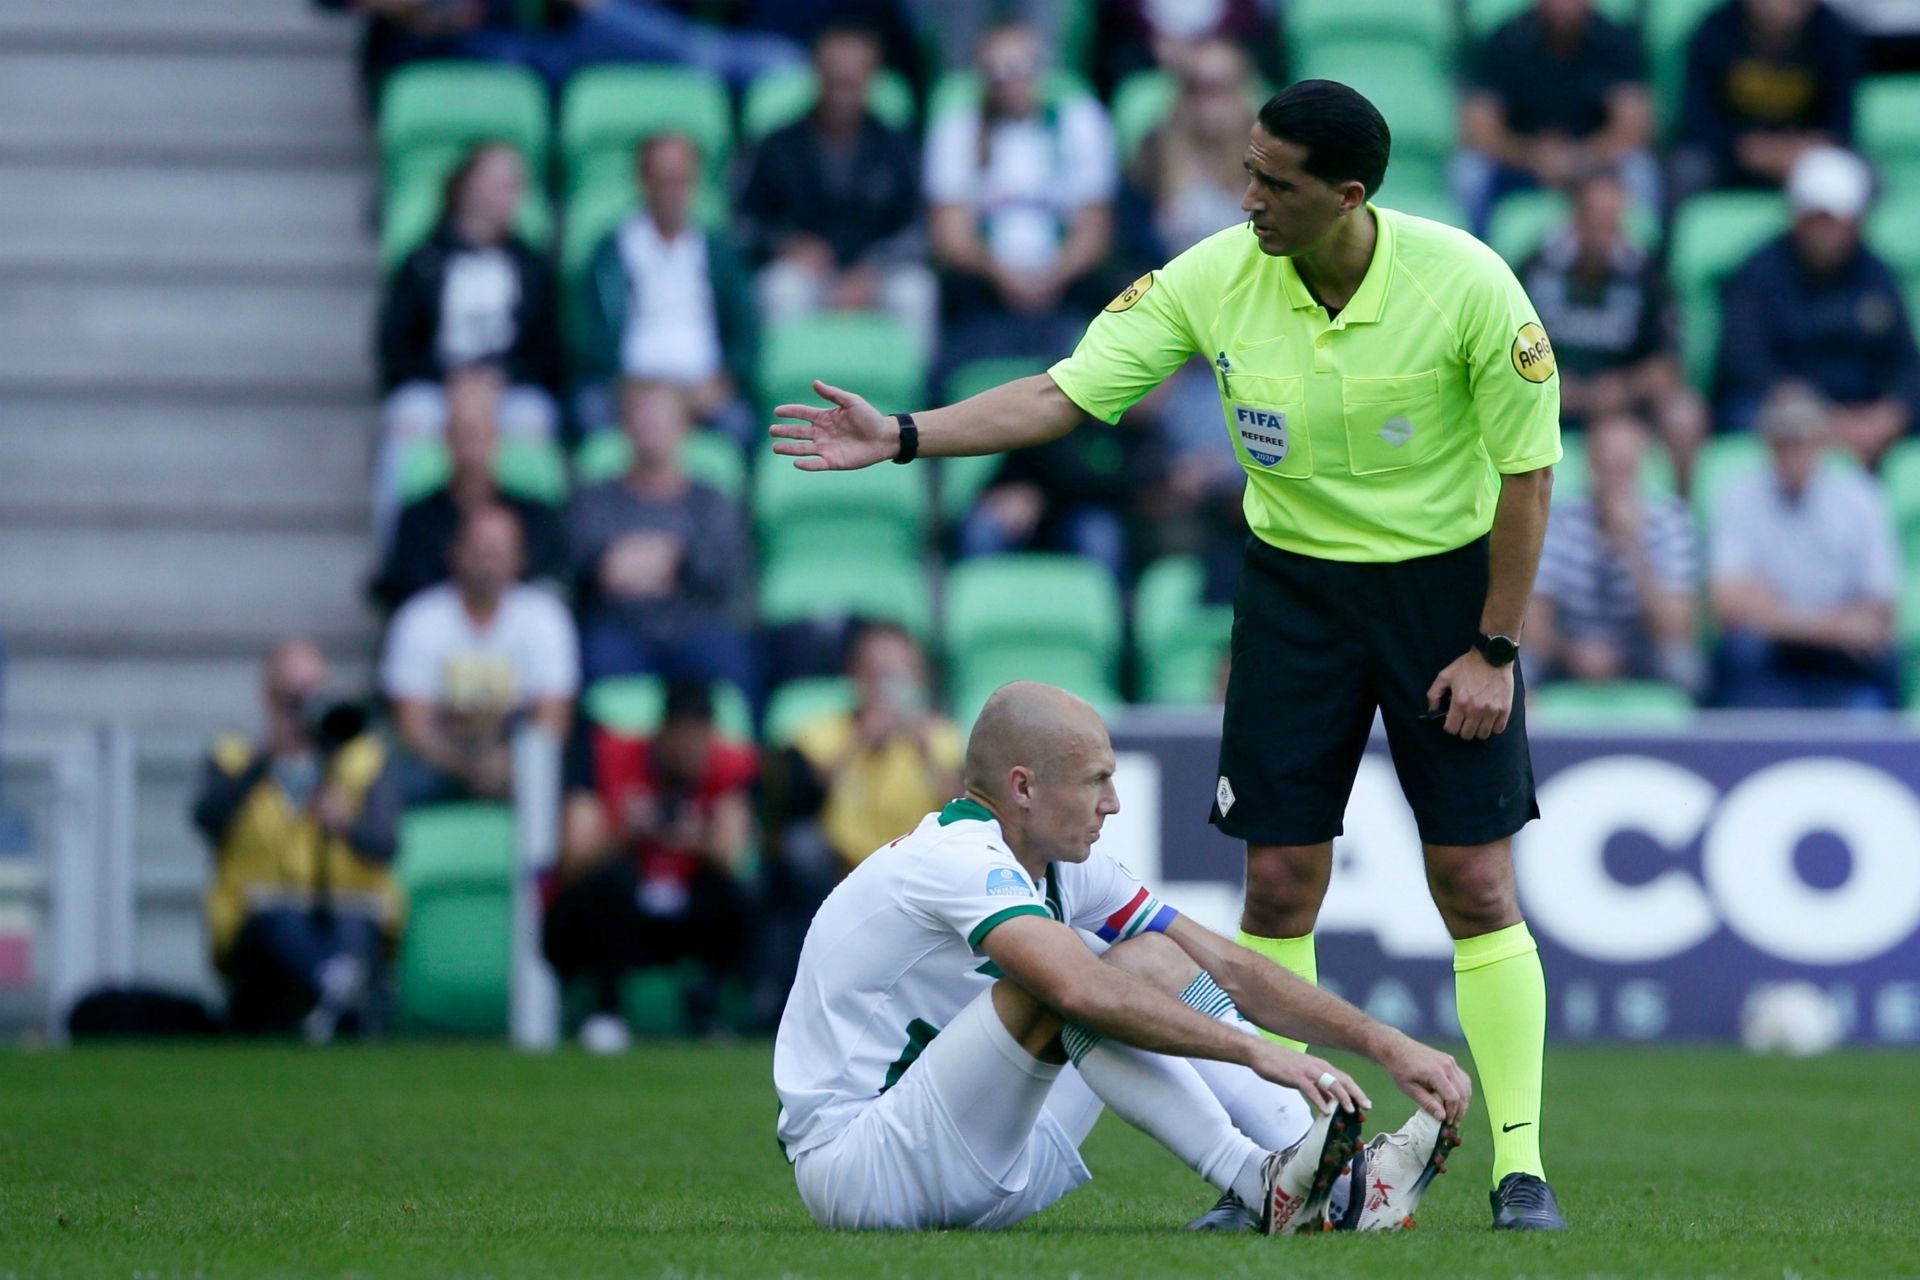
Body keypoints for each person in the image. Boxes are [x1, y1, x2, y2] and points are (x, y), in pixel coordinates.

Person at [769, 79, 1569, 1230]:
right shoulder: (1214, 273)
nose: (1246, 195)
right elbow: (1063, 393)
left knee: (1478, 883)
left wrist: (1496, 643)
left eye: (1272, 181)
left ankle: (1520, 1166)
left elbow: (1529, 475)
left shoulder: (1469, 283)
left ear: (1347, 197)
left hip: (1446, 596)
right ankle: (1293, 1157)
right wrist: (903, 435)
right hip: (1293, 591)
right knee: (1280, 880)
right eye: (1246, 169)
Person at [774, 680, 1472, 1233]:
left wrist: (1383, 1041)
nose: (1112, 802)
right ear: (1022, 788)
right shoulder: (955, 858)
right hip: (862, 1172)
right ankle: (1255, 1182)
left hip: (981, 1150)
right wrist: (1259, 1053)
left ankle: (1342, 1184)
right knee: (1066, 978)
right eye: (1095, 780)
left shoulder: (1063, 865)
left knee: (1151, 958)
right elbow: (1078, 992)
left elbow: (1222, 966)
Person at [191, 638, 403, 1041]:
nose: (304, 709)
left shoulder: (365, 758)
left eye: (313, 696)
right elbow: (207, 821)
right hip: (259, 922)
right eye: (291, 698)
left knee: (352, 926)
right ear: (268, 697)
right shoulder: (234, 757)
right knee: (281, 921)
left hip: (349, 909)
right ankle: (341, 988)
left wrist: (345, 823)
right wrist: (265, 758)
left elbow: (386, 846)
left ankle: (335, 993)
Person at [545, 678, 759, 1049]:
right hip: (616, 915)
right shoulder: (609, 757)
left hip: (682, 911)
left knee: (732, 894)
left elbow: (731, 855)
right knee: (610, 882)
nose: (690, 753)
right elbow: (573, 859)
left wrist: (695, 837)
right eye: (682, 740)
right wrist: (626, 831)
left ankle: (706, 1009)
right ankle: (606, 1010)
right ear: (662, 734)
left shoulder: (729, 766)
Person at [924, 22, 1117, 371]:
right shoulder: (958, 128)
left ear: (1042, 71)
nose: (1009, 83)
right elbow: (950, 238)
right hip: (983, 283)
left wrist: (1052, 277)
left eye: (1020, 69)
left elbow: (1094, 232)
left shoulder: (1080, 121)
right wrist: (1002, 274)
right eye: (996, 73)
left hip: (1065, 281)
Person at [377, 142, 560, 503]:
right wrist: (450, 380)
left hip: (508, 389)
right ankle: (399, 544)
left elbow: (549, 352)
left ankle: (529, 545)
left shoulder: (532, 266)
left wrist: (500, 377)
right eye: (500, 184)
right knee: (406, 422)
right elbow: (394, 346)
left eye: (515, 186)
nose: (510, 196)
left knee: (533, 423)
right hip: (436, 389)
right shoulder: (423, 261)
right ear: (467, 186)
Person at [737, 24, 936, 356]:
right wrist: (786, 245)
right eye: (834, 80)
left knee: (917, 292)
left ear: (872, 78)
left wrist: (873, 268)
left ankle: (925, 402)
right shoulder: (777, 144)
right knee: (779, 290)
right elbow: (743, 223)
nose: (842, 92)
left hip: (876, 273)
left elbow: (918, 229)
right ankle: (783, 394)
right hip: (805, 272)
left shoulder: (896, 146)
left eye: (852, 81)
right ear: (816, 74)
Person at [1717, 146, 1920, 463]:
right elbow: (1744, 360)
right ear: (1797, 216)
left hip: (1865, 410)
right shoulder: (1760, 272)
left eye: (1837, 221)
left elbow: (1905, 360)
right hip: (1784, 406)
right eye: (1818, 219)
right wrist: (1818, 417)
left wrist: (1889, 415)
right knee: (1750, 414)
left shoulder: (1876, 273)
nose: (1827, 233)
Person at [1709, 382, 1902, 709]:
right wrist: (1829, 625)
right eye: (1784, 438)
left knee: (1883, 656)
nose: (1793, 448)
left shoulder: (1861, 498)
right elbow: (1729, 604)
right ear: (1766, 440)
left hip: (1838, 655)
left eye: (1802, 437)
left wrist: (1772, 612)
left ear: (1822, 440)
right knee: (1737, 653)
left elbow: (1881, 611)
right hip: (1779, 648)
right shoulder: (1738, 496)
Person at [565, 380, 755, 692]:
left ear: (685, 427)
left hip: (696, 630)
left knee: (734, 659)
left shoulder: (712, 501)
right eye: (642, 417)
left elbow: (723, 569)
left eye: (662, 418)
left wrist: (672, 562)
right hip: (618, 630)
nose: (652, 427)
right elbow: (591, 566)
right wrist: (671, 560)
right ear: (625, 426)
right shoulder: (595, 499)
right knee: (590, 657)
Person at [382, 505, 578, 805]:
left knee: (557, 782)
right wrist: (466, 767)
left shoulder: (545, 617)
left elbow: (552, 720)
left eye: (497, 551)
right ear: (454, 552)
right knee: (383, 785)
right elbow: (413, 727)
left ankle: (539, 855)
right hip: (440, 761)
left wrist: (509, 764)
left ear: (519, 558)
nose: (487, 562)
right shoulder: (419, 618)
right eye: (478, 549)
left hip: (518, 761)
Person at [1521, 169, 1707, 481]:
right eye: (1594, 217)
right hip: (1548, 401)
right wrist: (1555, 386)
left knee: (1682, 414)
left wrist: (1619, 390)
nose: (1603, 230)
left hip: (1623, 405)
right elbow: (1508, 348)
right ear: (1575, 217)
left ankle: (1683, 514)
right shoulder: (1535, 270)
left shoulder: (1647, 276)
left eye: (1612, 219)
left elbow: (1668, 364)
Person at [575, 132, 759, 442]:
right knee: (589, 412)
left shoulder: (719, 253)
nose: (672, 192)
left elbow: (745, 331)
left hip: (703, 388)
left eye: (681, 181)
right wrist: (626, 386)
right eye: (663, 180)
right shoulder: (609, 252)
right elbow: (585, 333)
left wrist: (720, 383)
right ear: (642, 181)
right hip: (628, 388)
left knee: (740, 425)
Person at [368, 364, 566, 614]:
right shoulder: (417, 516)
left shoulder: (532, 514)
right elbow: (404, 588)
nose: (470, 446)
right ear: (446, 438)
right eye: (462, 433)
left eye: (478, 433)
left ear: (497, 437)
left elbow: (545, 577)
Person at [1528, 412, 1702, 693]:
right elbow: (1533, 620)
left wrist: (1632, 548)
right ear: (1590, 465)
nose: (1616, 477)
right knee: (1521, 664)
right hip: (1569, 649)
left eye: (1625, 466)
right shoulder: (1558, 521)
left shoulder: (1671, 522)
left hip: (1641, 652)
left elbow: (1675, 630)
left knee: (1684, 667)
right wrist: (1572, 653)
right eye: (1608, 465)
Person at [1457, 0, 1658, 233]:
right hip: (1520, 164)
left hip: (1593, 163)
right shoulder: (1505, 41)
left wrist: (1582, 156)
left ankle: (1639, 262)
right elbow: (1480, 128)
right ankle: (1473, 251)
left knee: (1640, 170)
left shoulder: (1616, 42)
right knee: (1469, 172)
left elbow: (1633, 126)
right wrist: (1531, 155)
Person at [1675, 0, 1864, 196]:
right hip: (1733, 156)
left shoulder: (1835, 33)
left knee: (1861, 175)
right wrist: (1748, 148)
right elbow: (1697, 120)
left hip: (1806, 157)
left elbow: (1841, 120)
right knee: (1689, 169)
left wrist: (1812, 147)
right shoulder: (1713, 31)